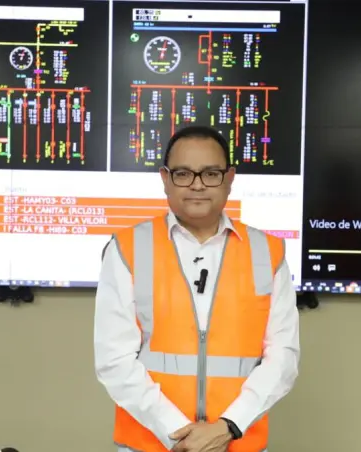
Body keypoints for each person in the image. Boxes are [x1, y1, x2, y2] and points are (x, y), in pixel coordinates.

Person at [94, 125, 300, 452]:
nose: (198, 185)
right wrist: (179, 434)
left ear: (230, 178)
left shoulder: (267, 251)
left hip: (235, 442)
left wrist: (229, 426)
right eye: (183, 174)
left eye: (211, 173)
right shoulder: (127, 248)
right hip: (151, 445)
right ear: (165, 179)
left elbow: (283, 357)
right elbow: (114, 359)